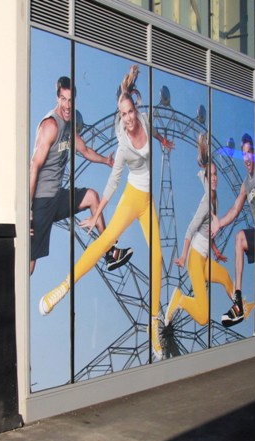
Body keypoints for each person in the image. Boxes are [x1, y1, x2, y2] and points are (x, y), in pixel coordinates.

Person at [39, 66, 174, 361]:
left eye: (130, 112)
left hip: (148, 202)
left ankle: (154, 322)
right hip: (132, 198)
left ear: (135, 110)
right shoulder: (123, 144)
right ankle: (62, 288)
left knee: (157, 257)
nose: (128, 118)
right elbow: (112, 183)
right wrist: (97, 211)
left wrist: (163, 141)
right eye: (123, 115)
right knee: (104, 242)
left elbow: (151, 129)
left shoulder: (145, 120)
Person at [30, 76, 133, 275]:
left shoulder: (69, 127)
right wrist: (28, 212)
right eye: (63, 99)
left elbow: (85, 150)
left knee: (92, 197)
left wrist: (105, 160)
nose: (67, 105)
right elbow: (33, 166)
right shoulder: (50, 126)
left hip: (57, 196)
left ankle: (110, 253)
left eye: (71, 100)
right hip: (41, 200)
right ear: (57, 98)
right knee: (30, 264)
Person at [165, 134, 235, 327]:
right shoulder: (206, 203)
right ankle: (180, 299)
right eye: (210, 176)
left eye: (215, 174)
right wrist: (183, 256)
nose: (214, 178)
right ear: (205, 178)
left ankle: (239, 306)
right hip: (195, 259)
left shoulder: (214, 197)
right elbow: (191, 229)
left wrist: (216, 251)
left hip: (204, 258)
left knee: (225, 277)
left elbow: (207, 230)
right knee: (203, 318)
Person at [215, 133, 255, 327]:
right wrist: (219, 223)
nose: (247, 158)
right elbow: (234, 210)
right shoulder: (245, 185)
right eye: (244, 154)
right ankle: (238, 302)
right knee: (240, 239)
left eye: (250, 153)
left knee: (240, 237)